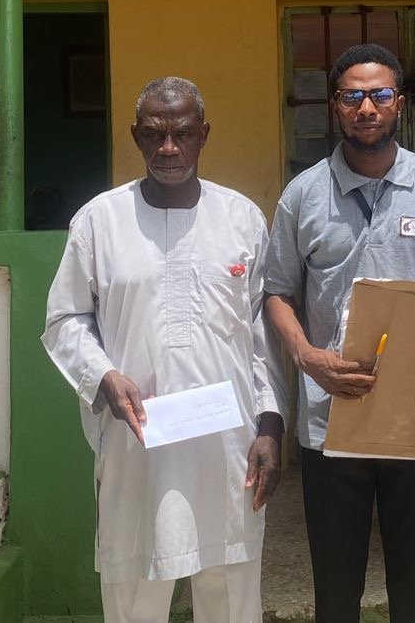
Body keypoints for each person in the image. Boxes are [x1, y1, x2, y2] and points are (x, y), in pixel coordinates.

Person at [41, 77, 286, 623]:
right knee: (136, 591)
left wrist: (270, 425)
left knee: (229, 588)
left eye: (183, 134)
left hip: (227, 445)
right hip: (137, 442)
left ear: (204, 135)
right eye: (154, 134)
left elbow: (260, 333)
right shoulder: (99, 221)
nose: (168, 148)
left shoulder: (242, 217)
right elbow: (64, 318)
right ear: (136, 137)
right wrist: (103, 376)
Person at [264, 43, 415, 623]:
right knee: (336, 595)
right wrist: (307, 356)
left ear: (399, 103)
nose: (366, 108)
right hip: (332, 422)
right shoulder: (303, 195)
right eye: (352, 96)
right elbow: (276, 292)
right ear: (335, 105)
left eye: (380, 94)